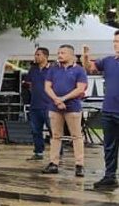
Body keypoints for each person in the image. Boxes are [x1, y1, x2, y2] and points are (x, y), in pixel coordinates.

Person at [41, 44, 88, 177]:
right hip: (55, 107)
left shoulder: (79, 70)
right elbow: (47, 87)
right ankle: (53, 163)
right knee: (55, 136)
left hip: (72, 107)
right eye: (59, 52)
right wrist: (57, 100)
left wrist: (63, 98)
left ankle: (79, 165)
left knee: (76, 136)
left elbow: (80, 88)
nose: (60, 55)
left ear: (71, 55)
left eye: (63, 53)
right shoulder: (53, 69)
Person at [82, 33, 119, 189]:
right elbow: (90, 67)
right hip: (109, 110)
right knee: (109, 146)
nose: (115, 44)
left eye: (118, 42)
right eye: (115, 41)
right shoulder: (108, 61)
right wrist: (85, 57)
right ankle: (109, 176)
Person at [23, 48, 51, 161]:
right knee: (35, 130)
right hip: (35, 104)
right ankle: (38, 152)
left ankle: (58, 152)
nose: (36, 57)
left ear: (45, 56)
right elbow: (28, 82)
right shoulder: (33, 70)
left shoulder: (52, 69)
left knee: (53, 130)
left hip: (49, 105)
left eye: (38, 55)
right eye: (35, 55)